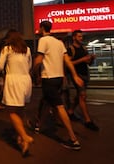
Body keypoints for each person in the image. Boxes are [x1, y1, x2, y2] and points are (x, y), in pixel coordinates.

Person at [33, 20, 84, 151]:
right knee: (46, 102)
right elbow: (67, 60)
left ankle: (73, 139)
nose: (38, 30)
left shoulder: (43, 40)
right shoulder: (59, 42)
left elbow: (39, 60)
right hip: (58, 79)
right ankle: (38, 125)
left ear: (42, 28)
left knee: (59, 106)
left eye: (39, 28)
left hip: (48, 78)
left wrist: (33, 73)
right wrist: (75, 75)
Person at [0, 29, 33, 156]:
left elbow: (0, 66)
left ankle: (24, 136)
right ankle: (22, 140)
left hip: (14, 80)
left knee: (11, 111)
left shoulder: (7, 49)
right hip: (26, 80)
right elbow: (29, 66)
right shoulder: (27, 49)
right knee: (20, 110)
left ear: (9, 38)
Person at [66, 30, 99, 131]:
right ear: (74, 38)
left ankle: (70, 112)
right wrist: (82, 60)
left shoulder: (84, 48)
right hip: (77, 75)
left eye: (81, 36)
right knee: (82, 96)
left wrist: (91, 59)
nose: (81, 38)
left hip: (85, 75)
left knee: (79, 96)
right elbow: (68, 63)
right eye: (79, 36)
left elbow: (88, 63)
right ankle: (88, 120)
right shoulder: (70, 49)